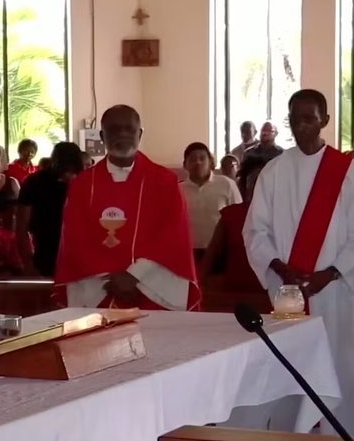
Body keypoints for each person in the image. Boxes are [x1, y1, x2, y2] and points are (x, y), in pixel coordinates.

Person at [243, 89, 354, 437]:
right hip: (289, 294)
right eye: (295, 119)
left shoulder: (349, 173)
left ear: (325, 120)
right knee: (292, 375)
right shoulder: (274, 172)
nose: (302, 126)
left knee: (341, 375)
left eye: (309, 118)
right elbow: (256, 229)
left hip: (336, 294)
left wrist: (332, 274)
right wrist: (277, 265)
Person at [55, 105, 200, 311]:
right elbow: (75, 239)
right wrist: (111, 278)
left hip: (153, 291)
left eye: (129, 129)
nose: (122, 134)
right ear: (102, 135)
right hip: (99, 290)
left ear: (139, 134)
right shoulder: (82, 185)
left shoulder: (165, 182)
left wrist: (135, 276)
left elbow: (173, 236)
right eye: (114, 129)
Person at [199, 155, 269, 299]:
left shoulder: (282, 215)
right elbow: (210, 257)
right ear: (245, 185)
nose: (258, 186)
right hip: (235, 292)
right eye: (253, 181)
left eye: (263, 181)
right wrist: (198, 285)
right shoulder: (231, 215)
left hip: (272, 292)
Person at [16, 142, 84, 278]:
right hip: (44, 256)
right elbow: (21, 228)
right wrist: (28, 265)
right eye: (65, 171)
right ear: (55, 165)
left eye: (72, 171)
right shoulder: (34, 183)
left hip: (79, 257)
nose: (68, 176)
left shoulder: (84, 182)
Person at [179, 142, 242, 261]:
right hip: (188, 253)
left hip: (221, 252)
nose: (198, 162)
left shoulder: (227, 184)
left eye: (202, 158)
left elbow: (238, 220)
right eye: (192, 159)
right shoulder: (178, 190)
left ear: (211, 162)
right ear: (185, 165)